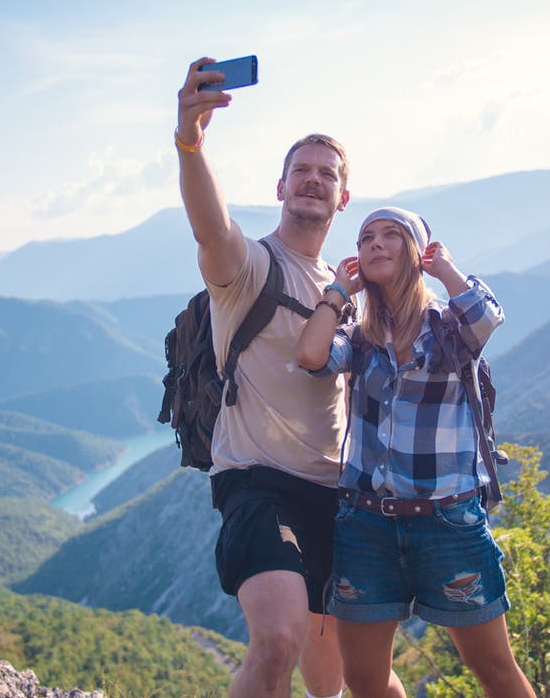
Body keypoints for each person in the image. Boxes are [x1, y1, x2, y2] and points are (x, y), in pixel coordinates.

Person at [295, 207, 537, 698]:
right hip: (365, 526)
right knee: (362, 680)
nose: (375, 244)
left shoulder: (448, 330)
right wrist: (339, 291)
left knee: (493, 669)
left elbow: (486, 316)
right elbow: (311, 355)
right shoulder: (358, 337)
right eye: (366, 238)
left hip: (447, 523)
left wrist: (444, 268)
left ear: (416, 251)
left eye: (391, 235)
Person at [175, 57, 359, 698]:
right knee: (278, 638)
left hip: (337, 496)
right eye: (301, 172)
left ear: (343, 195)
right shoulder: (249, 269)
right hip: (258, 485)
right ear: (280, 188)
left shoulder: (346, 287)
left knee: (334, 681)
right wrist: (190, 143)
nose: (313, 182)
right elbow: (210, 226)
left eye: (326, 175)